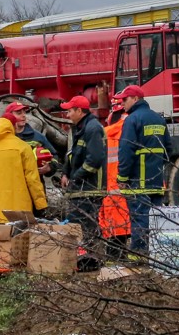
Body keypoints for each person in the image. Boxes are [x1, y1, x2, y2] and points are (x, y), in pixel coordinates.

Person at [116, 85, 170, 256]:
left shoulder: (132, 120)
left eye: (125, 99)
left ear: (135, 99)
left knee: (139, 216)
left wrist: (122, 177)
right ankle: (157, 253)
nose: (122, 103)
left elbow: (125, 151)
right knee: (155, 218)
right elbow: (168, 149)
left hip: (138, 181)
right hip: (156, 180)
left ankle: (138, 255)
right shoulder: (159, 119)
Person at [0, 111, 47, 224]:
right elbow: (33, 180)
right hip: (20, 213)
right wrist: (41, 205)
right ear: (13, 126)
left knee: (0, 241)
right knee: (19, 240)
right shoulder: (23, 147)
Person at [60, 94, 107, 265]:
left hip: (89, 189)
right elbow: (73, 155)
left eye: (70, 111)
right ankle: (86, 260)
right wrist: (65, 172)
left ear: (79, 111)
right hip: (80, 189)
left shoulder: (92, 128)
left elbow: (94, 160)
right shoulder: (81, 128)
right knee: (81, 227)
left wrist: (74, 177)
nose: (67, 115)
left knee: (86, 227)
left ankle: (92, 261)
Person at [99, 94, 131, 257]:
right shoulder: (131, 126)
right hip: (127, 185)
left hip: (110, 187)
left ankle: (114, 259)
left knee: (113, 230)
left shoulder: (105, 133)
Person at [8, 101, 60, 178]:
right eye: (19, 113)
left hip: (35, 184)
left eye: (24, 112)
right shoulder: (4, 137)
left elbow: (54, 155)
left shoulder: (37, 136)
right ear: (9, 116)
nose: (23, 116)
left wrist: (50, 167)